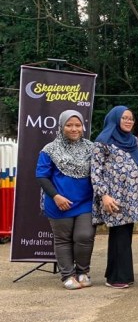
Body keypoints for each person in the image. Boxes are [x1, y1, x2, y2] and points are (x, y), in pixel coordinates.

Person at [36, 110, 95, 290]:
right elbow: (42, 176)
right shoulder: (49, 149)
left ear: (83, 127)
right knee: (63, 240)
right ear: (61, 127)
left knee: (85, 236)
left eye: (78, 125)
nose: (74, 129)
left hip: (85, 202)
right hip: (59, 202)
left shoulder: (91, 148)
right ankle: (67, 275)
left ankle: (82, 271)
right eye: (69, 125)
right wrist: (56, 196)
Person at [91, 106, 138, 289]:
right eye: (124, 118)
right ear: (115, 119)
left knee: (125, 234)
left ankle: (119, 274)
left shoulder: (133, 140)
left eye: (131, 118)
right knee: (119, 235)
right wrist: (104, 195)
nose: (128, 121)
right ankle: (116, 278)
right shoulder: (103, 141)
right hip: (113, 196)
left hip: (131, 196)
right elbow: (96, 171)